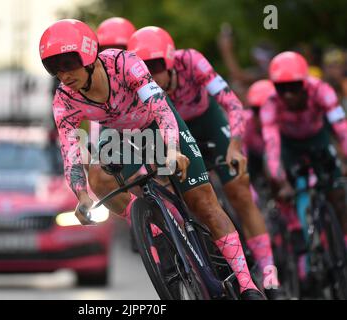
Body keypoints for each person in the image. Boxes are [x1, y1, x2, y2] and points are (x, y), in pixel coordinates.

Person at [39, 19, 264, 299]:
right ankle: (154, 224)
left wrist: (171, 148)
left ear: (88, 55)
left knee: (203, 202)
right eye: (54, 68)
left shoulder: (124, 63)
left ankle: (247, 285)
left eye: (68, 63)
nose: (64, 74)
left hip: (158, 123)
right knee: (98, 176)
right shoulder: (64, 100)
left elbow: (160, 107)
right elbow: (70, 151)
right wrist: (81, 195)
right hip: (119, 134)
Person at [127, 26, 281, 299]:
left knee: (238, 191)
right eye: (144, 67)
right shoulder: (136, 82)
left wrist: (234, 146)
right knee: (178, 194)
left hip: (206, 123)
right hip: (169, 129)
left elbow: (232, 104)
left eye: (157, 65)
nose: (151, 73)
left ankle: (270, 275)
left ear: (172, 61)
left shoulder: (192, 61)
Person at [260, 51, 347, 247]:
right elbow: (272, 145)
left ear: (305, 83)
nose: (288, 94)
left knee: (338, 197)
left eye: (294, 86)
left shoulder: (321, 90)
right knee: (276, 180)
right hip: (289, 146)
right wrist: (280, 180)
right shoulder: (271, 103)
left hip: (318, 139)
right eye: (282, 88)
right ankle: (295, 226)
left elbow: (341, 128)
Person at [244, 80, 276, 185]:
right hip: (254, 160)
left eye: (267, 109)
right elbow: (241, 153)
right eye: (256, 111)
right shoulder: (245, 123)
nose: (262, 116)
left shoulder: (284, 119)